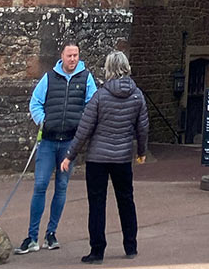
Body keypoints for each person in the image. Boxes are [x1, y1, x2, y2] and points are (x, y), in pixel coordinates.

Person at [62, 51, 148, 264]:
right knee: (126, 200)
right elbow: (143, 128)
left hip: (98, 158)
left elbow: (85, 128)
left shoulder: (100, 96)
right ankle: (130, 245)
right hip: (122, 157)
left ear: (109, 69)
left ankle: (97, 251)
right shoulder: (137, 95)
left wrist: (69, 155)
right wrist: (141, 152)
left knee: (97, 203)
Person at [17, 42, 97, 254]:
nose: (73, 59)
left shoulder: (86, 78)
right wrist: (43, 122)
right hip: (48, 142)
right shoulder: (49, 78)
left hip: (69, 143)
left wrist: (81, 125)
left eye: (76, 55)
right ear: (62, 55)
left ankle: (51, 233)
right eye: (69, 55)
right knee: (40, 185)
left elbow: (92, 105)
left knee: (61, 187)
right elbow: (35, 102)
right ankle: (32, 236)